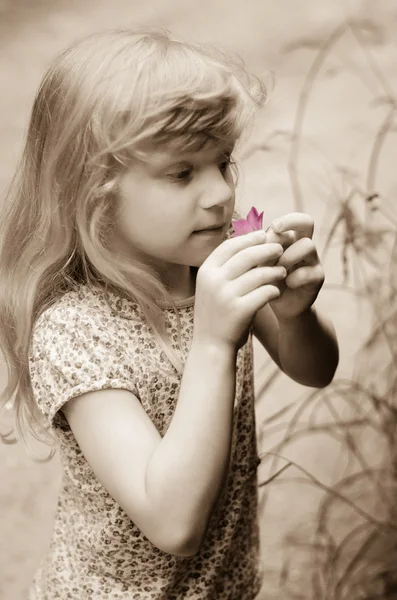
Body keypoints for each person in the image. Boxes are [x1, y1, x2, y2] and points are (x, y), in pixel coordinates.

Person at [0, 28, 339, 600]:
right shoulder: (76, 330)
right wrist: (212, 343)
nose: (219, 194)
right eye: (181, 173)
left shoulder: (209, 259)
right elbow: (173, 522)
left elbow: (315, 369)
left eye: (223, 163)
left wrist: (296, 313)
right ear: (94, 194)